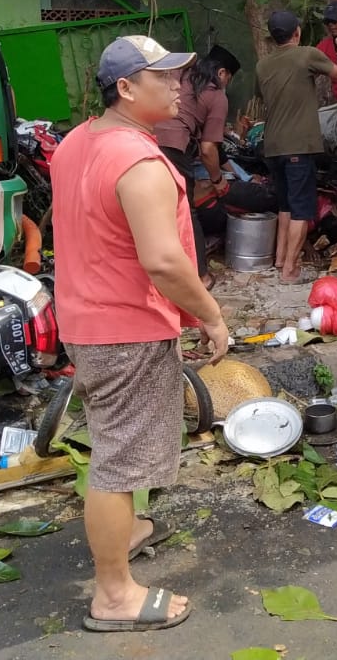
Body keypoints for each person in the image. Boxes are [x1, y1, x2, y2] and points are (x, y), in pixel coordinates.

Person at [50, 35, 230, 633]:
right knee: (119, 462)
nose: (179, 85)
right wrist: (209, 314)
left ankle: (127, 532)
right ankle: (114, 595)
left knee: (115, 445)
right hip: (125, 327)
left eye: (179, 75)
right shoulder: (140, 162)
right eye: (164, 77)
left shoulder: (77, 142)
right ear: (126, 88)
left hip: (85, 318)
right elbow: (164, 262)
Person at [255, 9, 337, 283]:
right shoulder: (306, 54)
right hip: (298, 146)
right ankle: (290, 270)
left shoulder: (262, 65)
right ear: (297, 32)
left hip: (272, 146)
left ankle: (279, 260)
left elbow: (261, 95)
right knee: (301, 209)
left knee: (285, 205)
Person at [156, 45, 241, 286]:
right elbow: (208, 149)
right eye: (229, 78)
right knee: (185, 207)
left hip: (145, 138)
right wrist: (218, 181)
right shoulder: (216, 95)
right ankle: (201, 275)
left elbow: (214, 148)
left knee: (155, 206)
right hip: (173, 144)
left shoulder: (182, 75)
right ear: (223, 73)